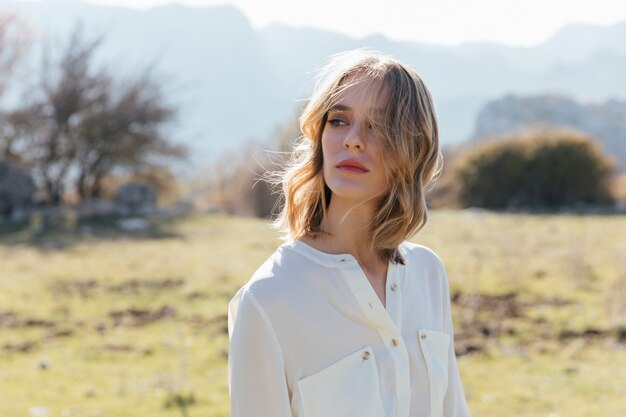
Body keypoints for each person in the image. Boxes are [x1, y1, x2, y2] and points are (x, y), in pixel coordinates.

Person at [227, 49, 471, 417]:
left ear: (414, 145)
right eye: (339, 120)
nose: (353, 139)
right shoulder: (268, 299)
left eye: (379, 125)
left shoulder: (427, 273)